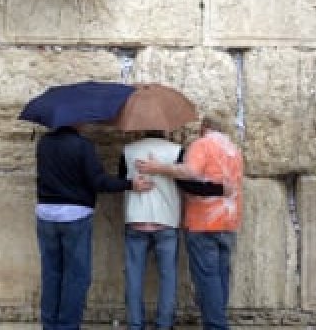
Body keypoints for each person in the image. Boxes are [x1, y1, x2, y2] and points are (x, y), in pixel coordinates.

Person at [35, 124, 153, 330]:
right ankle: (67, 326)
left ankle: (49, 324)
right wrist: (129, 184)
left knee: (51, 273)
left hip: (46, 214)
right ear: (75, 122)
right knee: (77, 275)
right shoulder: (83, 146)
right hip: (75, 216)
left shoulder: (44, 144)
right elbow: (98, 181)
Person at [136, 117, 243, 330]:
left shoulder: (202, 144)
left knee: (207, 279)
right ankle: (218, 321)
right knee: (221, 276)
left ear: (204, 128)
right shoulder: (233, 150)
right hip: (229, 221)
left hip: (204, 222)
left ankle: (216, 326)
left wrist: (158, 168)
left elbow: (189, 172)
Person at [120, 130, 225, 330]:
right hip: (165, 221)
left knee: (134, 275)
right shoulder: (176, 151)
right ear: (165, 130)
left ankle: (135, 324)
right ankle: (164, 323)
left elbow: (122, 181)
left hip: (135, 219)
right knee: (168, 276)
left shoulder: (128, 151)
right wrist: (220, 189)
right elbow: (190, 186)